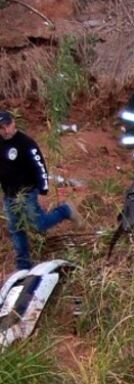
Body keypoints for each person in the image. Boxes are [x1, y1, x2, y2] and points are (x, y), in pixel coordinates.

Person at [0, 111, 77, 271]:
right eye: (1, 128)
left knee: (38, 225)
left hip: (27, 193)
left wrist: (43, 188)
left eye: (7, 125)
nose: (5, 130)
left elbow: (39, 166)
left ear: (13, 123)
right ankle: (23, 265)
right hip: (9, 196)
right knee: (16, 230)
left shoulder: (26, 143)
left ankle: (65, 210)